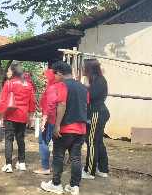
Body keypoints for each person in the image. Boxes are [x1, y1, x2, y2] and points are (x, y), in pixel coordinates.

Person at [40, 61, 88, 195]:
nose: (53, 77)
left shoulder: (61, 85)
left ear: (60, 73)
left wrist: (57, 125)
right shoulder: (83, 87)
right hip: (81, 129)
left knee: (58, 157)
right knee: (76, 158)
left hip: (65, 128)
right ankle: (74, 186)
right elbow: (86, 105)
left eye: (54, 74)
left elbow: (61, 104)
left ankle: (56, 184)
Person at [0, 62, 36, 173]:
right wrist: (31, 116)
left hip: (10, 115)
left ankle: (8, 164)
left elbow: (3, 100)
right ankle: (22, 162)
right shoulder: (28, 84)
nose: (7, 72)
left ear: (13, 71)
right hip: (23, 116)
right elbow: (32, 102)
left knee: (9, 139)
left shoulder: (9, 83)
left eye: (9, 70)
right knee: (20, 139)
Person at [83, 59, 110, 179]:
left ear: (89, 69)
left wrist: (85, 85)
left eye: (84, 67)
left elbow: (90, 96)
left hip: (96, 113)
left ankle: (90, 171)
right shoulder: (97, 80)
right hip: (98, 113)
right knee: (98, 142)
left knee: (91, 142)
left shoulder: (99, 81)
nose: (82, 69)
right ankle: (103, 169)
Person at [34, 68, 62, 175]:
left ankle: (45, 167)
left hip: (50, 119)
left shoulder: (52, 88)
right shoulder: (57, 86)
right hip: (54, 118)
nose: (44, 80)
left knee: (43, 142)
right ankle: (55, 166)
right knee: (54, 143)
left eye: (45, 77)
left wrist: (44, 119)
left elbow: (50, 104)